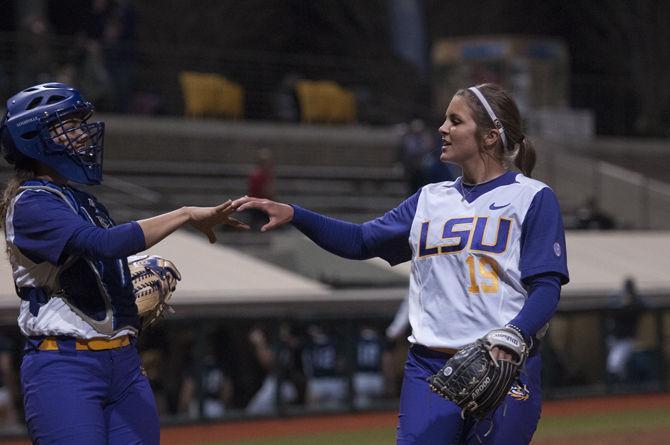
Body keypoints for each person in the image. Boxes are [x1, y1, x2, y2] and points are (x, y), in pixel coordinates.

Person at [232, 82, 569, 444]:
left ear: (489, 136)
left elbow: (546, 287)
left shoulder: (531, 197)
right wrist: (296, 214)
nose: (443, 129)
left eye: (455, 121)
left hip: (504, 364)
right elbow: (361, 241)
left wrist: (515, 333)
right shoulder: (429, 199)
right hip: (429, 368)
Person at [0, 82, 246, 444]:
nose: (83, 133)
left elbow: (100, 266)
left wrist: (131, 288)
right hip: (65, 366)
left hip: (124, 364)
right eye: (69, 125)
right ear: (34, 136)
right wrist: (185, 214)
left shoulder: (85, 202)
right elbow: (102, 244)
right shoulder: (31, 203)